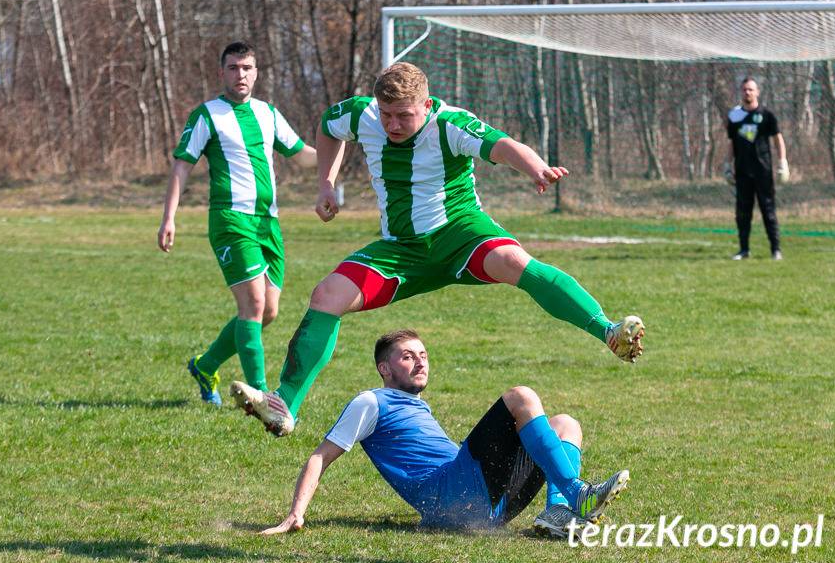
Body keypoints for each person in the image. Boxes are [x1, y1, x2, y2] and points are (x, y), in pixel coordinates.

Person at [230, 62, 644, 435]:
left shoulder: (450, 124)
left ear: (426, 104)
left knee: (515, 261)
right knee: (326, 296)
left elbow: (501, 146)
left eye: (403, 115)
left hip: (460, 235)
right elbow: (327, 126)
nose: (392, 124)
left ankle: (607, 332)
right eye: (386, 114)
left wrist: (535, 167)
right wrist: (326, 182)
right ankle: (284, 406)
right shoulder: (363, 114)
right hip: (401, 249)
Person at [261, 330, 630, 538]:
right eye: (407, 356)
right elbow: (320, 455)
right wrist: (295, 513)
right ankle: (577, 493)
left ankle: (558, 514)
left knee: (566, 424)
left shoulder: (416, 405)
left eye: (422, 354)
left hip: (478, 504)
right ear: (384, 368)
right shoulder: (370, 402)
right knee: (520, 397)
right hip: (451, 496)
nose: (420, 360)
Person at [157, 41, 316, 406]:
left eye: (246, 68)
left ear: (256, 72)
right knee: (254, 305)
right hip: (230, 219)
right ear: (221, 72)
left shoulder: (268, 114)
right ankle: (261, 396)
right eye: (232, 68)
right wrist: (169, 217)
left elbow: (303, 156)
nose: (240, 75)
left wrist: (342, 145)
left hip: (268, 223)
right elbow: (182, 165)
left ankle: (205, 364)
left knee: (269, 312)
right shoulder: (207, 115)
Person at [724, 77, 789, 261]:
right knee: (743, 212)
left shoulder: (766, 115)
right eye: (744, 90)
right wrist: (728, 165)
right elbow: (731, 143)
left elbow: (778, 139)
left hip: (763, 171)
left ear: (757, 92)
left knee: (768, 211)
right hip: (743, 172)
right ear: (741, 92)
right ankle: (744, 250)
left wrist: (782, 162)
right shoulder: (735, 117)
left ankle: (775, 250)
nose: (747, 93)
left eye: (751, 89)